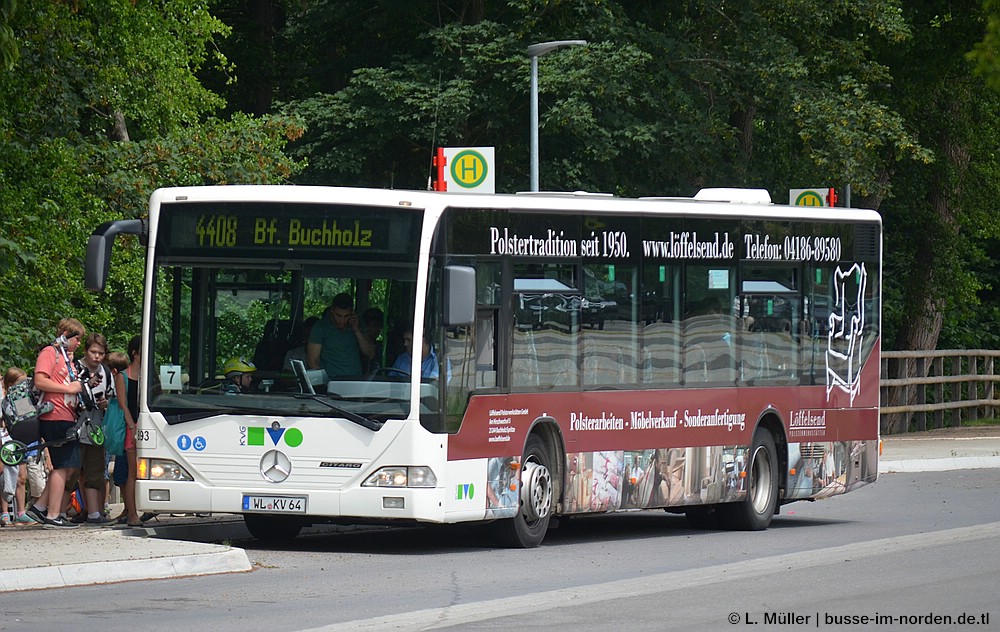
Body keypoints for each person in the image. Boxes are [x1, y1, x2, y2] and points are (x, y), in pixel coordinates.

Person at [26, 318, 85, 528]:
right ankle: (52, 515)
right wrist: (69, 389)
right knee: (62, 466)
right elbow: (40, 379)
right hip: (53, 416)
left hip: (67, 416)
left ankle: (39, 507)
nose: (79, 344)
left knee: (69, 466)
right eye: (77, 339)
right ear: (66, 335)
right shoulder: (50, 352)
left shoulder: (66, 358)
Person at [69, 333, 113, 524]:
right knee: (72, 470)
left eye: (101, 353)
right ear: (85, 351)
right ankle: (60, 511)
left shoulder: (106, 372)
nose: (97, 357)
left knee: (94, 469)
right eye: (93, 352)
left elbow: (111, 396)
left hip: (96, 426)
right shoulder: (75, 368)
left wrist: (106, 403)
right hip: (75, 425)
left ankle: (94, 512)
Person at [112, 335, 143, 527]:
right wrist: (133, 426)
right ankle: (132, 514)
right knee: (132, 472)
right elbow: (123, 405)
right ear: (135, 353)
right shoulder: (122, 376)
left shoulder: (150, 374)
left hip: (149, 426)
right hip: (132, 427)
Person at [307, 292, 374, 378]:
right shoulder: (321, 327)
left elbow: (370, 353)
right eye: (338, 315)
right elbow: (312, 361)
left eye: (346, 316)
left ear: (352, 313)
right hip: (331, 382)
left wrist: (357, 330)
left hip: (355, 381)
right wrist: (324, 383)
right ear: (332, 310)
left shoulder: (359, 324)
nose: (341, 320)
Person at [361, 307, 384, 373]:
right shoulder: (358, 344)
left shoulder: (379, 346)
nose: (379, 329)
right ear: (366, 326)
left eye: (381, 327)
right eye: (375, 326)